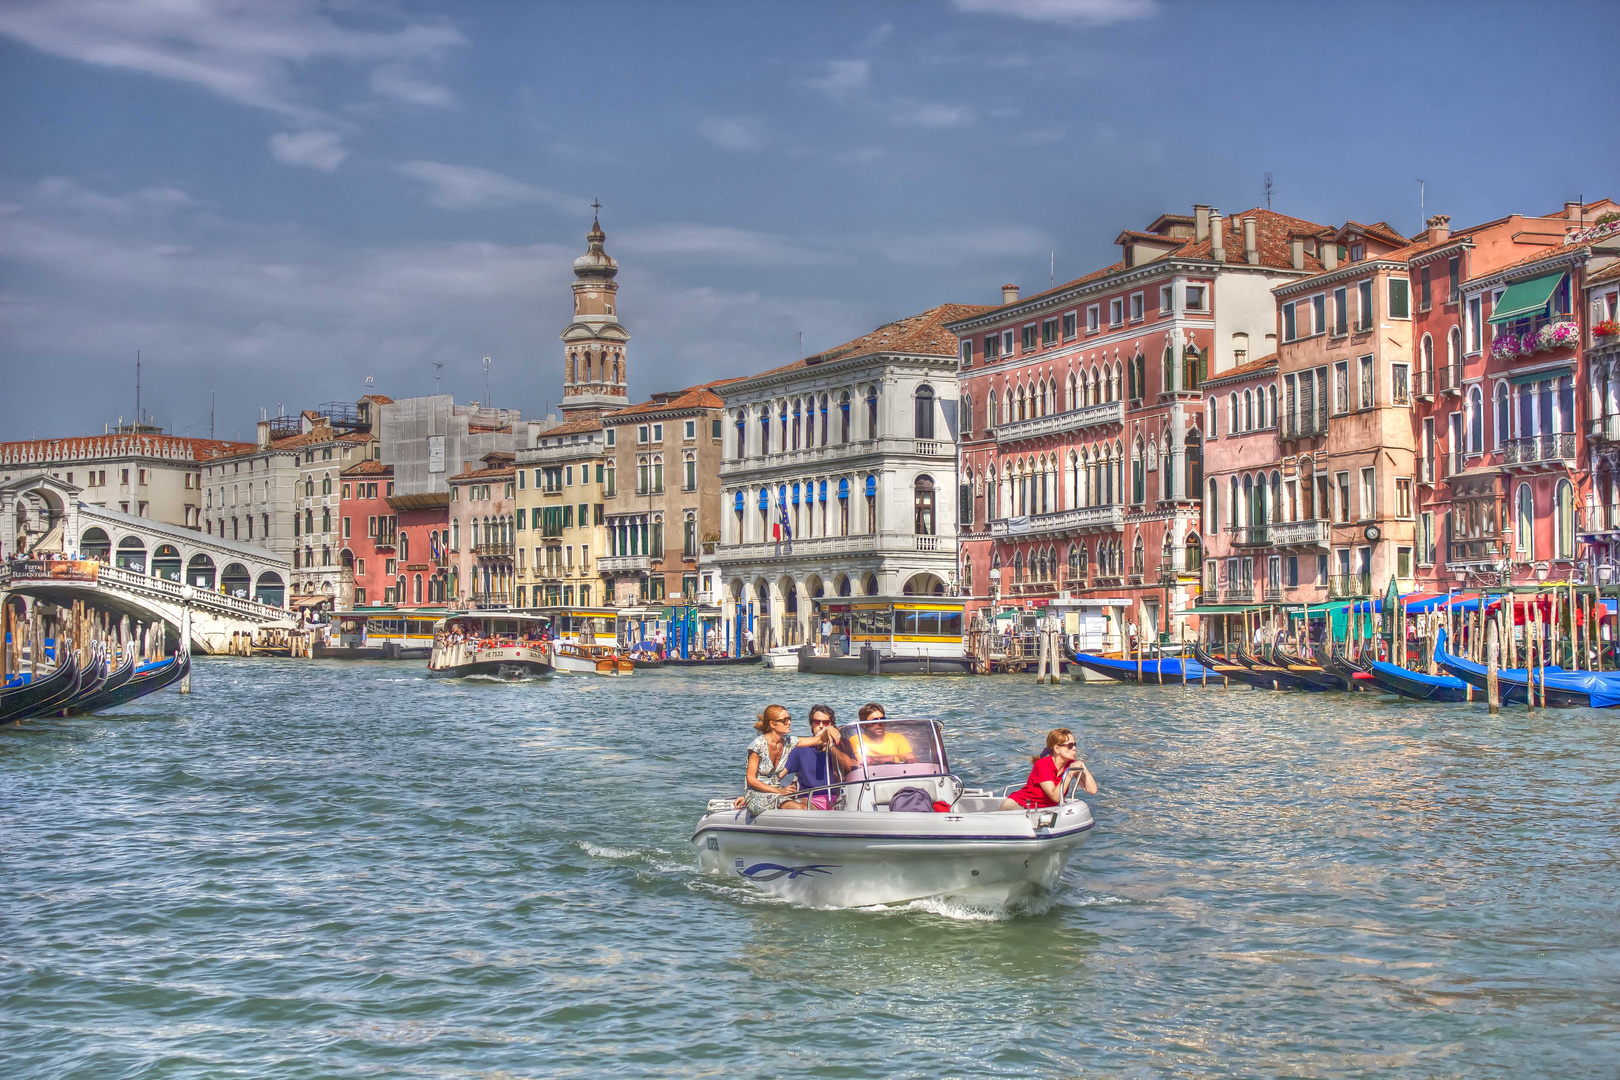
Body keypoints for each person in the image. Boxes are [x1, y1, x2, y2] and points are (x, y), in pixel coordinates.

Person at [738, 704, 833, 815]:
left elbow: (818, 740)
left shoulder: (789, 742)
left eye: (789, 719)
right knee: (799, 809)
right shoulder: (757, 746)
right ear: (773, 724)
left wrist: (830, 729)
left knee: (803, 807)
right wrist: (779, 791)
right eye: (785, 720)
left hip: (776, 792)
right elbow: (751, 779)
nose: (789, 722)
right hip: (758, 794)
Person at [1001, 728, 1097, 810]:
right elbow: (1055, 797)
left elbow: (1092, 790)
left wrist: (1083, 767)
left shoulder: (1070, 764)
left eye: (1075, 744)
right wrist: (1068, 774)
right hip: (1019, 805)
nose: (1074, 748)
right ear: (1057, 749)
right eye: (1070, 746)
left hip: (1042, 809)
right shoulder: (1042, 765)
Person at [784, 704, 842, 809]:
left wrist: (832, 746)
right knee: (799, 808)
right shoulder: (800, 749)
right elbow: (777, 775)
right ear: (811, 725)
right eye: (816, 722)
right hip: (809, 799)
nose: (821, 726)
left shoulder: (840, 748)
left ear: (832, 725)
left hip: (837, 799)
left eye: (825, 723)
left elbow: (852, 769)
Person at [844, 703, 916, 766]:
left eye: (882, 719)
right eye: (874, 720)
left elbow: (912, 760)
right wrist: (894, 758)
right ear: (864, 725)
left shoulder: (897, 738)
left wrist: (876, 760)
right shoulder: (857, 739)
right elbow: (862, 761)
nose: (879, 723)